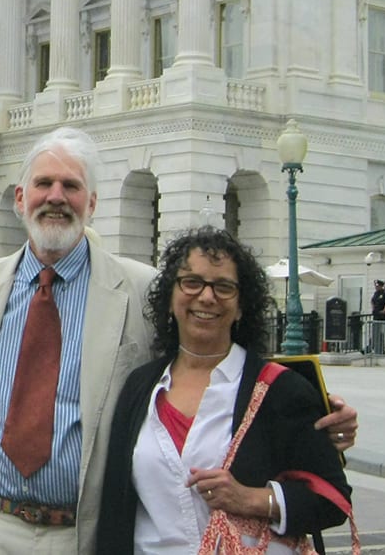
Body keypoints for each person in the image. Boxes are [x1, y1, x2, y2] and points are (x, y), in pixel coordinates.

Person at [0, 127, 359, 553]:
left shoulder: (143, 292)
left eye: (71, 186)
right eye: (44, 184)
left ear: (92, 203)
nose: (56, 197)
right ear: (20, 197)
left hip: (82, 531)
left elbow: (208, 359)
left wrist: (312, 412)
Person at [97, 227, 351, 554]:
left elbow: (332, 499)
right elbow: (116, 503)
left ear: (242, 307)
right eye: (191, 282)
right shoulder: (139, 386)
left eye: (223, 287)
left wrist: (253, 499)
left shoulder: (280, 390)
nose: (206, 296)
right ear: (170, 299)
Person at [367, 280, 385, 355]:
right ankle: (376, 349)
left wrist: (384, 310)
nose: (376, 287)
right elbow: (372, 301)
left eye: (377, 286)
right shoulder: (376, 293)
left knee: (380, 333)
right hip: (376, 315)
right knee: (376, 333)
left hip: (382, 317)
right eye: (375, 286)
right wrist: (373, 308)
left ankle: (379, 350)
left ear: (381, 286)